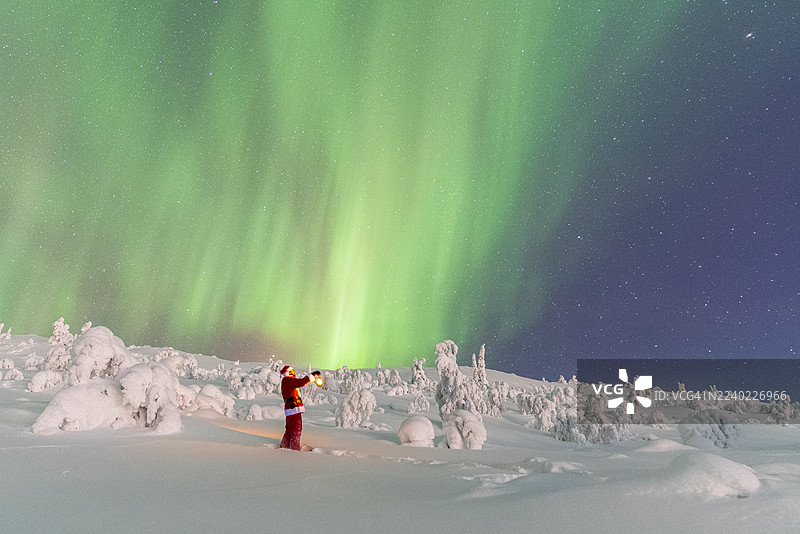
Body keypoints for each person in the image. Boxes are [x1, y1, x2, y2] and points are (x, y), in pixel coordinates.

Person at [279, 365, 322, 450]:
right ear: (288, 372)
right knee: (296, 428)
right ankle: (294, 449)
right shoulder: (288, 380)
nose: (294, 372)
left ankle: (284, 446)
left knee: (289, 429)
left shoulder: (287, 381)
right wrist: (311, 376)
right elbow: (300, 382)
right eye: (292, 370)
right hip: (294, 408)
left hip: (291, 408)